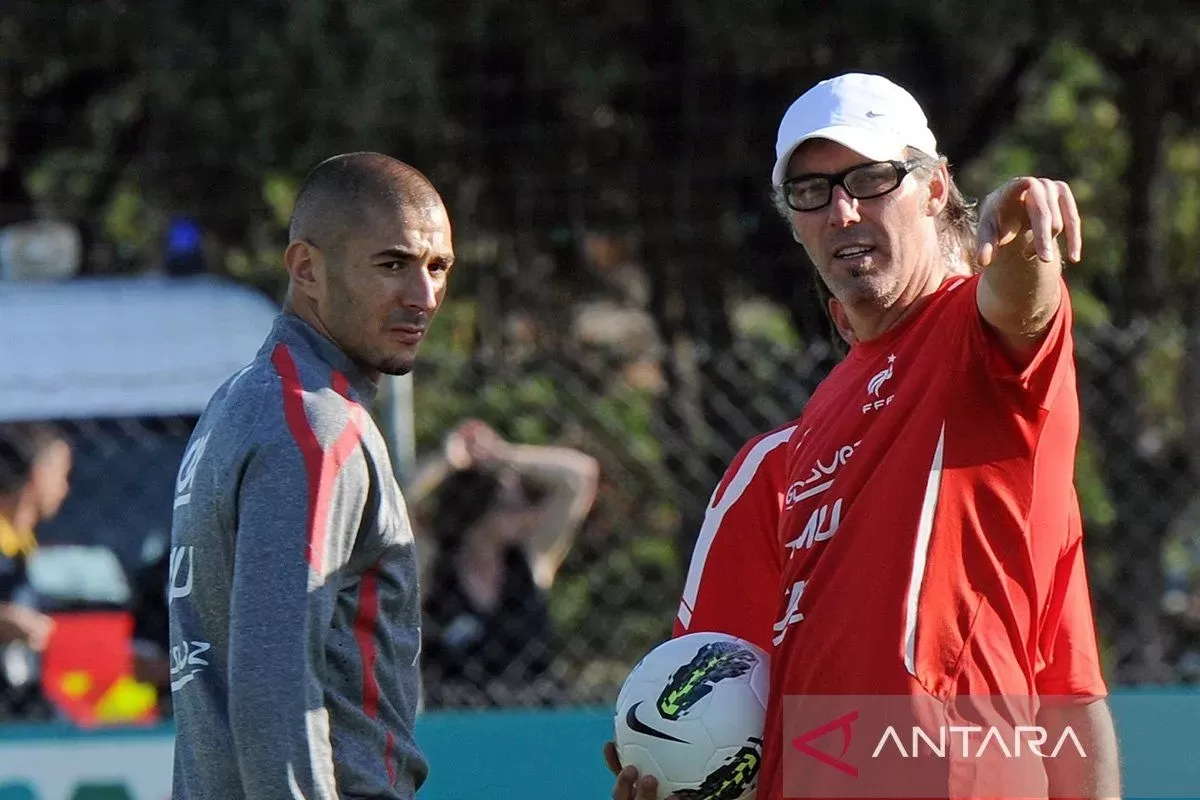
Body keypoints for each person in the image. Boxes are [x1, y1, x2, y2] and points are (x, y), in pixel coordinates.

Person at [607, 73, 1120, 800]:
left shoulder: (969, 341)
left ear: (937, 189)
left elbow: (1021, 309)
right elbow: (1066, 697)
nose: (843, 210)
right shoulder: (816, 420)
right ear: (792, 221)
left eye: (871, 178)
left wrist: (1018, 247)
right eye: (810, 192)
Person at [168, 152, 454, 799]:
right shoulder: (315, 428)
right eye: (393, 264)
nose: (425, 297)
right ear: (306, 268)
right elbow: (272, 682)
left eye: (438, 268)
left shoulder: (242, 402)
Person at [412, 419, 599, 707]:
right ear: (478, 509)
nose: (524, 512)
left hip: (533, 713)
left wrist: (499, 454)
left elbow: (580, 476)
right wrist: (447, 461)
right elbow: (398, 506)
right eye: (509, 505)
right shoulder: (435, 568)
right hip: (452, 719)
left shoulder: (534, 560)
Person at [0, 422, 71, 720]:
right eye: (62, 475)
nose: (65, 488)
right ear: (38, 472)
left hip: (20, 704)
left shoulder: (22, 547)